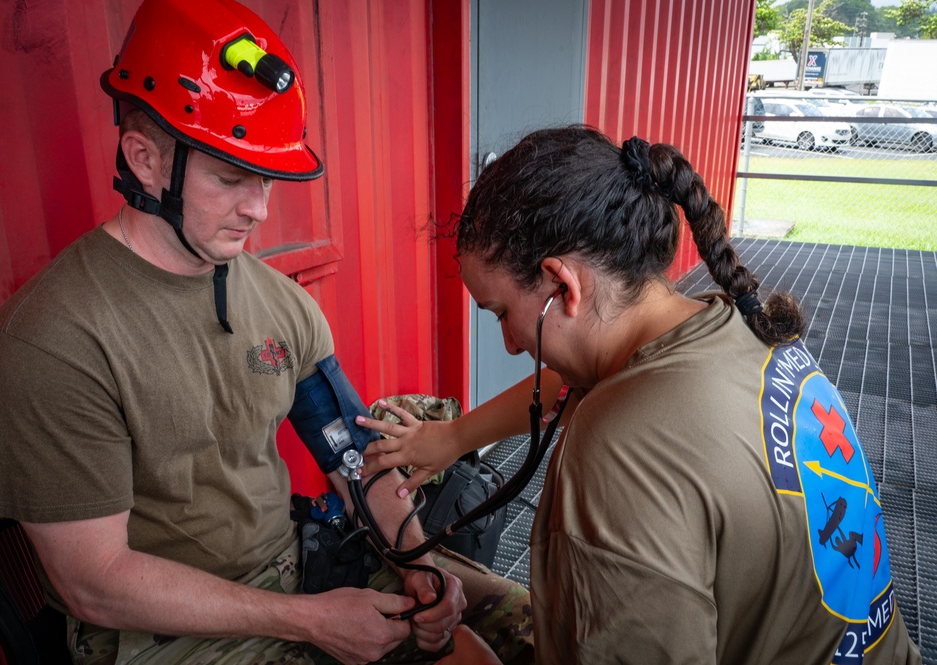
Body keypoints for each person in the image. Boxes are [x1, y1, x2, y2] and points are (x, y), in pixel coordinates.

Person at [0, 1, 533, 664]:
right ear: (145, 160)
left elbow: (353, 455)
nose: (258, 209)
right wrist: (309, 621)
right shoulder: (52, 341)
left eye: (263, 178)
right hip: (165, 634)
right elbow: (93, 584)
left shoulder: (277, 303)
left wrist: (415, 560)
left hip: (296, 567)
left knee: (516, 627)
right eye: (231, 178)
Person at [356, 126, 923, 664]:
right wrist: (453, 437)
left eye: (503, 314)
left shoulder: (618, 449)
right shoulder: (727, 324)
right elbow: (584, 377)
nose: (508, 345)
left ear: (562, 285)